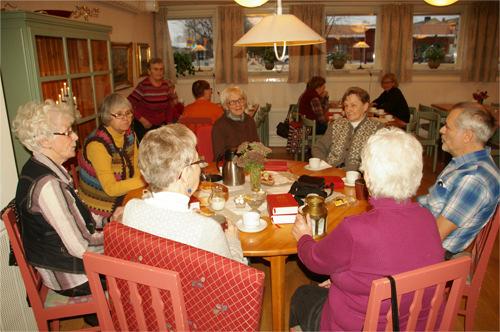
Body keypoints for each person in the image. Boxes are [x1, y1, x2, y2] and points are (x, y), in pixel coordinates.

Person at [290, 128, 443, 331]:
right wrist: (340, 280)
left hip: (357, 326)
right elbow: (392, 266)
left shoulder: (355, 229)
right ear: (417, 174)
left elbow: (315, 261)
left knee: (302, 295)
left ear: (368, 177)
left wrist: (304, 237)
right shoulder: (427, 219)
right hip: (412, 324)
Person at [12, 100, 117, 298]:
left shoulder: (39, 168)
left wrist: (110, 220)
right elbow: (82, 247)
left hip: (67, 264)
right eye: (68, 132)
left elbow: (78, 216)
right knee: (143, 271)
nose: (76, 137)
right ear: (44, 140)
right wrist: (120, 239)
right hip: (73, 276)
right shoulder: (48, 185)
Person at [123, 124, 245, 264]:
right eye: (198, 162)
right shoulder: (206, 229)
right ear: (185, 174)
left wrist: (192, 218)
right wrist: (233, 241)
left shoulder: (131, 209)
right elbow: (232, 279)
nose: (200, 168)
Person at [417, 102, 499, 260]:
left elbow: (435, 236)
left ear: (467, 136)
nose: (441, 130)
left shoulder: (474, 179)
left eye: (447, 127)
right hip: (424, 230)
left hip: (433, 257)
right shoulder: (464, 163)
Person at [78, 93, 145, 219]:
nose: (126, 118)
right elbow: (110, 189)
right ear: (107, 117)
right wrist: (145, 181)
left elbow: (137, 167)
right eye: (119, 114)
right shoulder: (97, 144)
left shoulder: (130, 134)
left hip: (124, 194)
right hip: (101, 205)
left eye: (128, 113)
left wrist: (137, 189)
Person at [312, 87, 383, 171]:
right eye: (346, 105)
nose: (348, 109)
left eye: (353, 105)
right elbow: (319, 147)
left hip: (357, 178)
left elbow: (379, 159)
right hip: (331, 173)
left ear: (365, 106)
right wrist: (324, 165)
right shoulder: (336, 124)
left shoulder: (376, 129)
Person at [128, 58, 184, 141]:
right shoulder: (143, 86)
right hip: (143, 125)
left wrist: (168, 123)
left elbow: (168, 105)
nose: (159, 72)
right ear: (149, 71)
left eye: (161, 69)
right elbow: (128, 103)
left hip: (160, 125)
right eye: (156, 69)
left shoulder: (166, 85)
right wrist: (142, 119)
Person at [212, 86, 259, 160]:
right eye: (232, 102)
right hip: (230, 166)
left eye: (240, 100)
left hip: (250, 164)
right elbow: (219, 156)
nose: (238, 104)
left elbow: (257, 146)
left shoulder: (250, 121)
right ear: (226, 106)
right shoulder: (220, 125)